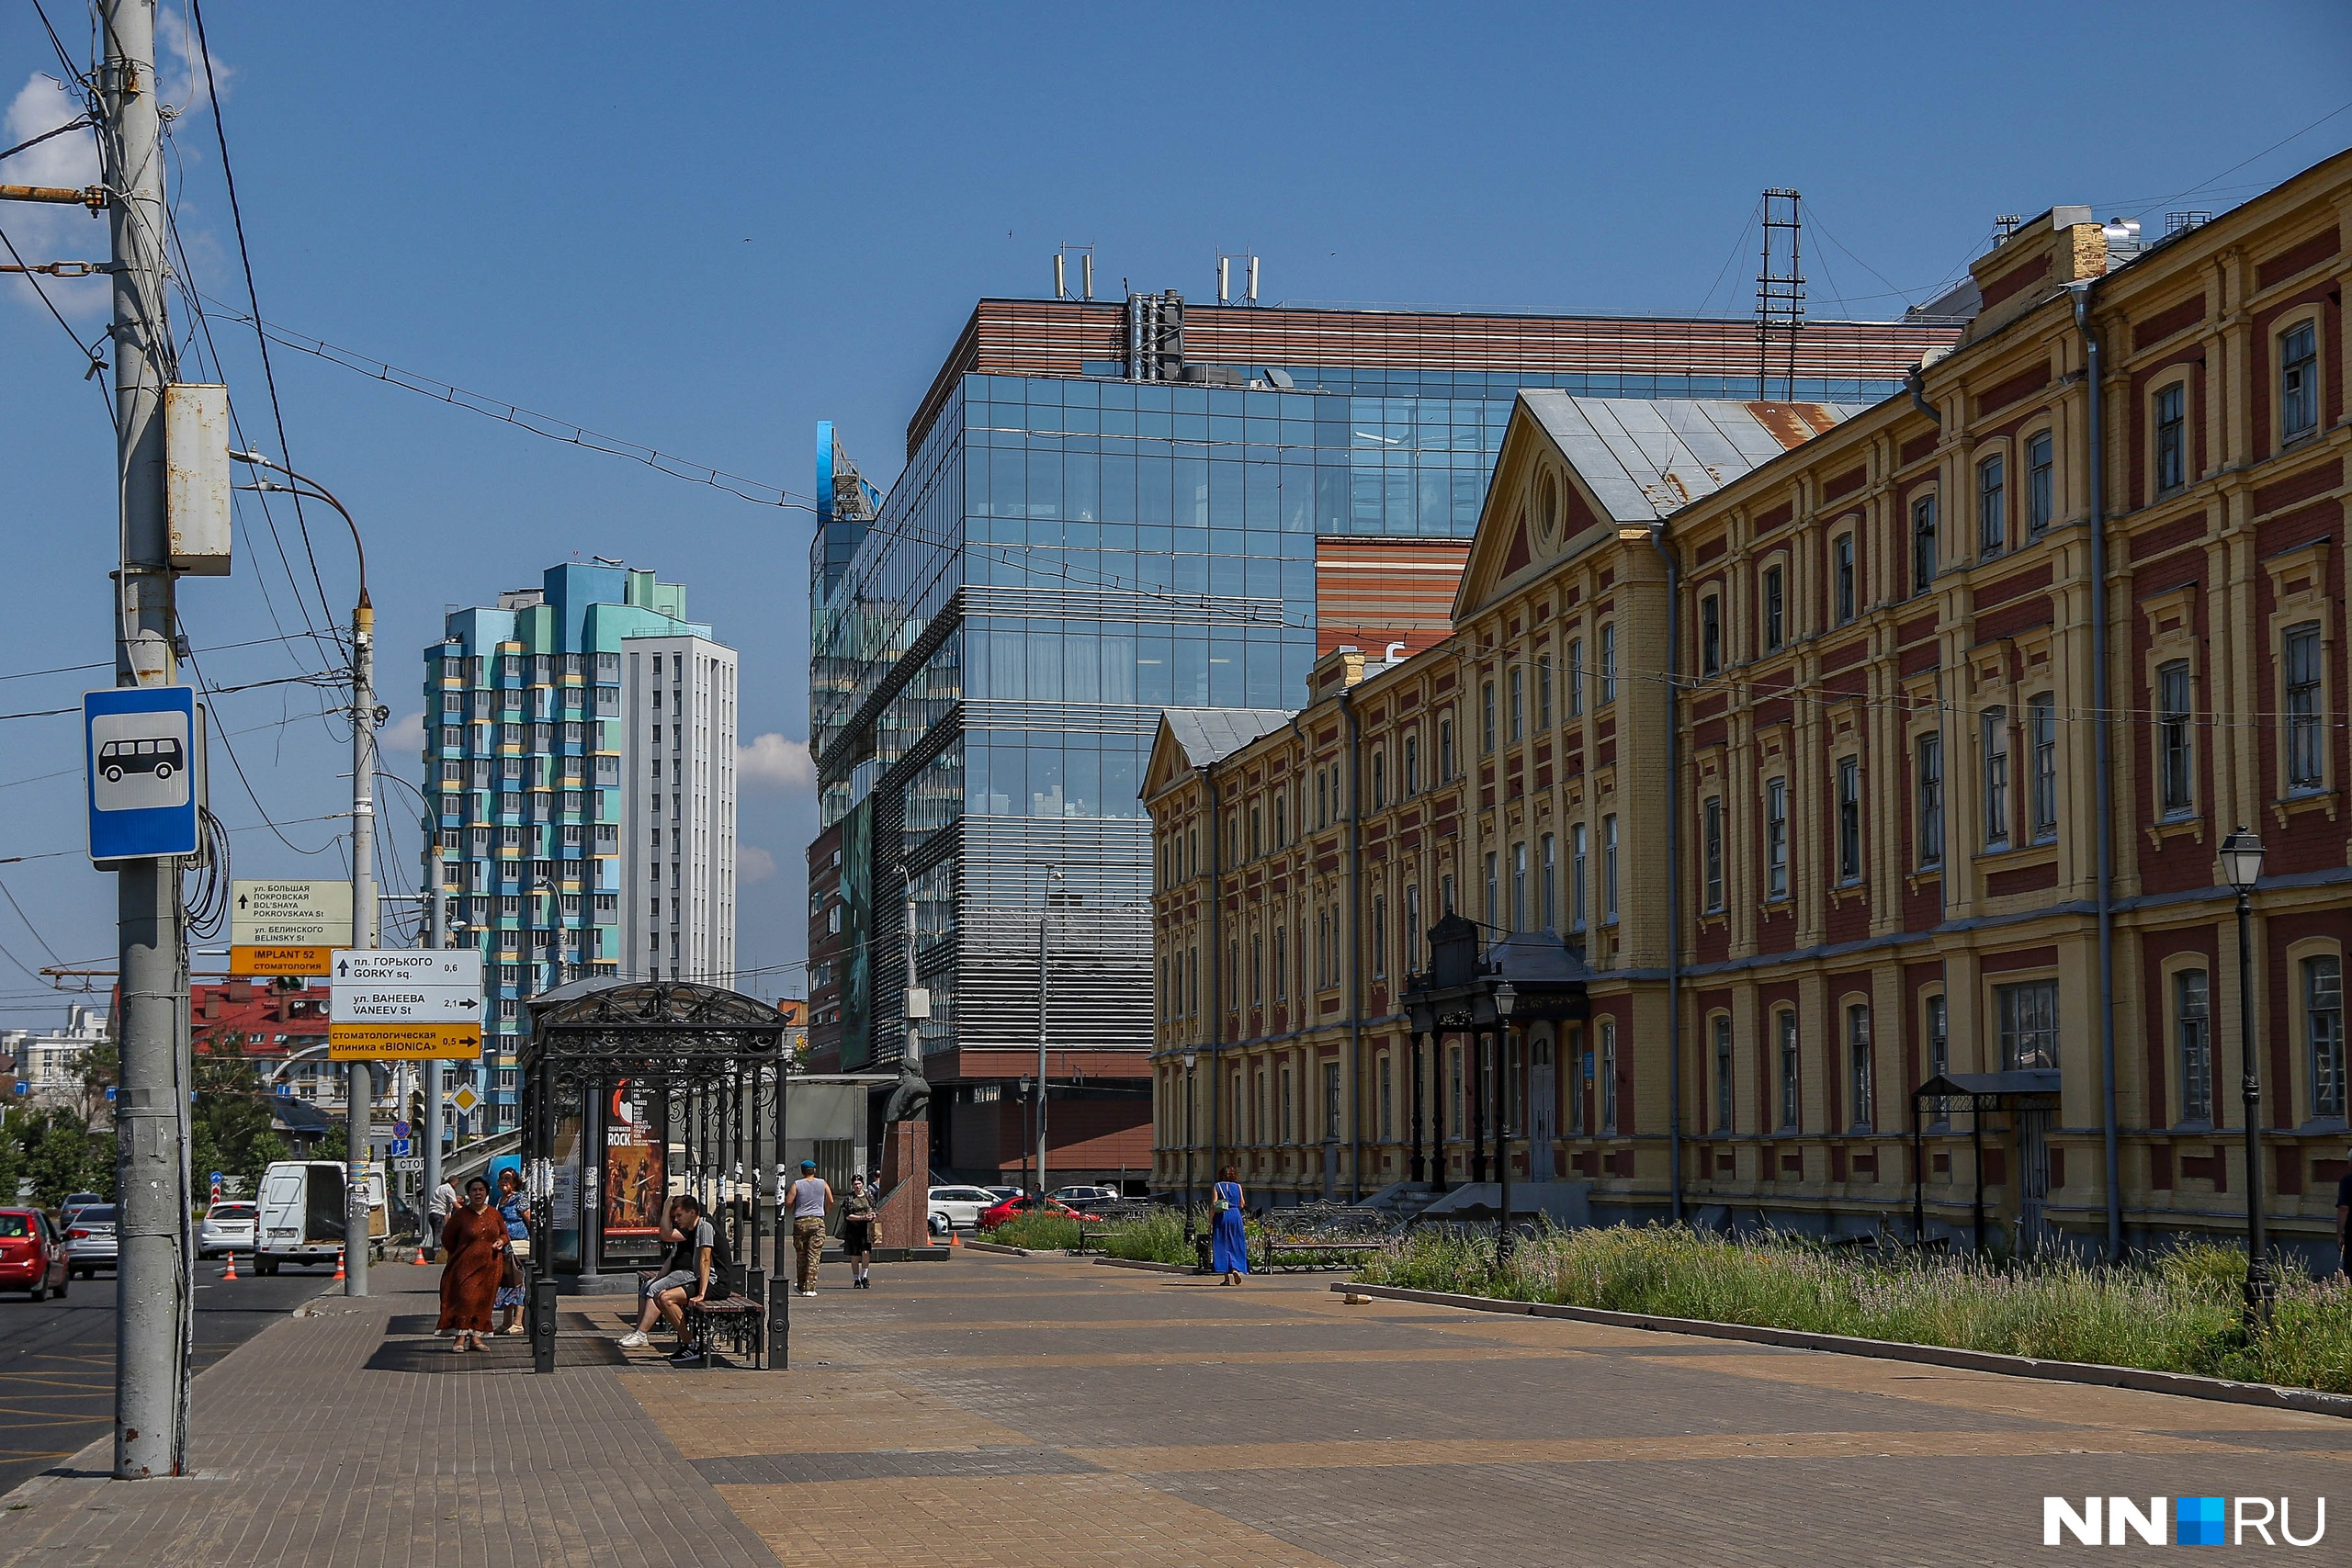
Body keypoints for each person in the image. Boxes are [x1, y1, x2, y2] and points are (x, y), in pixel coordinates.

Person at [618, 1194, 717, 1362]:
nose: (676, 1220)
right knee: (649, 1286)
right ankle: (640, 1332)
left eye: (678, 1216)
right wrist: (657, 1277)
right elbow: (671, 1258)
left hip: (693, 1275)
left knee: (659, 1292)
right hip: (687, 1273)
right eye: (673, 1217)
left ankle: (643, 1334)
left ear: (692, 1213)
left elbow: (667, 1235)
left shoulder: (699, 1228)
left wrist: (702, 1292)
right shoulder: (692, 1226)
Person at [435, 1177, 506, 1351]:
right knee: (466, 1298)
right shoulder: (461, 1216)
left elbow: (505, 1234)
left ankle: (477, 1338)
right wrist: (461, 1251)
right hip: (465, 1266)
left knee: (484, 1301)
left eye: (481, 1190)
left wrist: (500, 1241)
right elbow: (447, 1239)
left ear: (486, 1193)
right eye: (474, 1190)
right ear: (468, 1194)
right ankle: (460, 1338)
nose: (478, 1193)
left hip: (490, 1266)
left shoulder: (494, 1214)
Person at [492, 1168, 530, 1335]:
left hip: (518, 1247)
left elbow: (529, 1219)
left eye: (508, 1178)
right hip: (505, 1248)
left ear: (515, 1182)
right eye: (501, 1178)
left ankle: (518, 1322)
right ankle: (506, 1322)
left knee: (518, 1282)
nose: (503, 1182)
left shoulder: (519, 1199)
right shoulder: (500, 1199)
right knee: (506, 1282)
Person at [787, 1160, 832, 1297]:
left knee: (801, 1255)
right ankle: (810, 1288)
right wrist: (824, 1211)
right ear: (815, 1170)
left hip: (801, 1221)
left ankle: (800, 1286)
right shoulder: (823, 1183)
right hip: (817, 1221)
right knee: (814, 1255)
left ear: (802, 1171)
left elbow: (788, 1202)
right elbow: (830, 1200)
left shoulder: (797, 1184)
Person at [1210, 1164, 1249, 1285]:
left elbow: (1214, 1205)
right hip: (1235, 1215)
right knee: (1235, 1243)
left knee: (1222, 1244)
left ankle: (1226, 1278)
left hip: (1222, 1216)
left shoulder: (1217, 1186)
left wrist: (1210, 1221)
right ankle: (1236, 1269)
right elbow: (1242, 1204)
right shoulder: (1238, 1187)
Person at [838, 1175, 876, 1290]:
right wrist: (861, 1217)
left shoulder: (868, 1195)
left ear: (862, 1184)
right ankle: (856, 1279)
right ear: (852, 1185)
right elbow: (847, 1215)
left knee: (866, 1252)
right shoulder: (849, 1198)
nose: (857, 1186)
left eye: (859, 1184)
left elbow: (874, 1207)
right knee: (855, 1254)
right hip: (853, 1228)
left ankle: (864, 1277)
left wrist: (872, 1215)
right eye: (855, 1184)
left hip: (866, 1227)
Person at [425, 1174, 458, 1265]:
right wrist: (466, 1210)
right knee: (438, 1235)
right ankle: (437, 1255)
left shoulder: (440, 1188)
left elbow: (447, 1208)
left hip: (432, 1213)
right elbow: (455, 1204)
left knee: (436, 1233)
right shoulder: (449, 1189)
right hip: (439, 1214)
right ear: (454, 1182)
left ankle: (436, 1253)